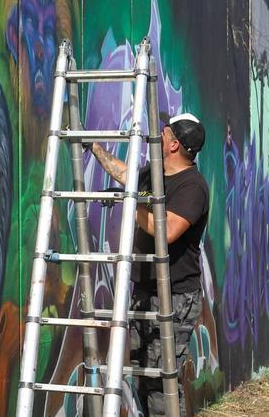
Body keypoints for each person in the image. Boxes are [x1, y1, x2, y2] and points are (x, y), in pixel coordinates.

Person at [87, 112, 209, 416]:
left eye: (163, 134)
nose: (156, 137)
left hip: (176, 297)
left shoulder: (192, 187)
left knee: (161, 377)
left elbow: (166, 231)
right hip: (144, 290)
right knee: (144, 374)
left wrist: (132, 202)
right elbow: (123, 173)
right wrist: (94, 147)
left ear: (173, 144)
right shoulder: (153, 174)